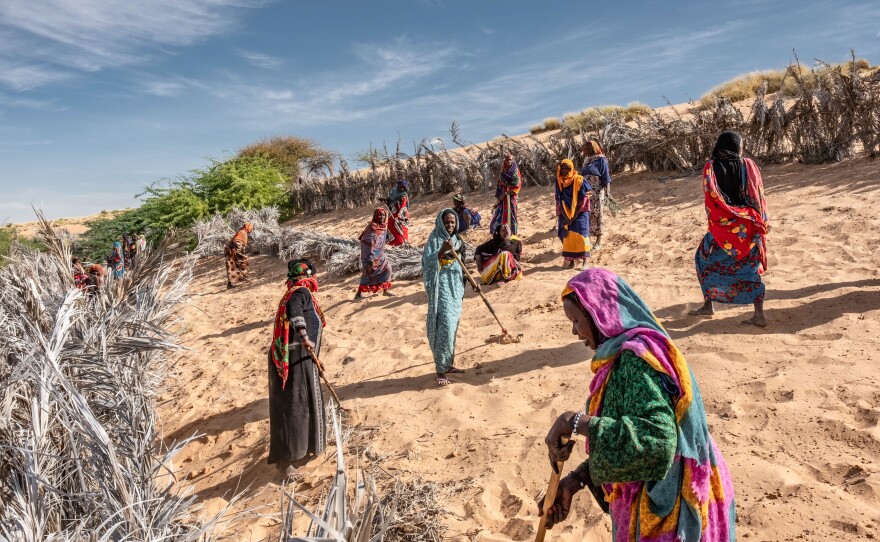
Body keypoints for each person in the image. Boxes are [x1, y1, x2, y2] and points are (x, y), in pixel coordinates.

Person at [541, 268, 736, 540]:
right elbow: (633, 431)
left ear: (599, 314)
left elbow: (657, 442)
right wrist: (577, 480)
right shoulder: (623, 356)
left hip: (674, 509)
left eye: (576, 321)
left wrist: (573, 422)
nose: (574, 332)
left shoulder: (636, 360)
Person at [690, 131, 769, 327]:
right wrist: (761, 220)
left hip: (722, 227)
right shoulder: (748, 165)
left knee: (703, 259)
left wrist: (723, 220)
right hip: (748, 224)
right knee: (750, 267)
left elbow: (711, 200)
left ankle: (709, 305)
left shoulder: (710, 167)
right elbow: (758, 195)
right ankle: (759, 314)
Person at [267, 258, 327, 479]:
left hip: (299, 360)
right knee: (293, 407)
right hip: (293, 360)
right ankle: (285, 463)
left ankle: (305, 447)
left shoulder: (298, 293)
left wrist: (316, 359)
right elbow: (295, 314)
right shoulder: (299, 293)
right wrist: (304, 336)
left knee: (303, 403)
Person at [422, 209, 480, 387]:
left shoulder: (458, 240)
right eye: (446, 222)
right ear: (440, 222)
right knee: (445, 326)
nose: (449, 225)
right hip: (442, 288)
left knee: (453, 327)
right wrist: (441, 251)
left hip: (456, 287)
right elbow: (427, 263)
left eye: (452, 222)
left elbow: (461, 264)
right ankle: (440, 369)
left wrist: (471, 281)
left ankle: (448, 364)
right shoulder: (434, 240)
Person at [555, 159, 591, 269]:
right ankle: (571, 261)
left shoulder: (579, 180)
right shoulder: (559, 182)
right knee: (567, 236)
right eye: (563, 168)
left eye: (567, 168)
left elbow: (585, 197)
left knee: (582, 235)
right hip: (565, 213)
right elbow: (558, 198)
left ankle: (585, 261)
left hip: (580, 211)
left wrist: (575, 214)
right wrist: (563, 214)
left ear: (572, 169)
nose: (565, 171)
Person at [580, 140, 613, 250]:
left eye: (590, 148)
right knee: (588, 214)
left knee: (598, 214)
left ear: (595, 148)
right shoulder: (586, 161)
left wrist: (608, 191)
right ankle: (588, 241)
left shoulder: (601, 159)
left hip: (598, 190)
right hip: (587, 192)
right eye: (586, 148)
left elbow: (606, 175)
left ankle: (598, 241)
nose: (587, 150)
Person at [355, 208, 393, 299]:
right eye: (380, 215)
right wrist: (370, 257)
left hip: (380, 254)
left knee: (387, 269)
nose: (382, 217)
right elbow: (366, 241)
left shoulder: (383, 226)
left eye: (384, 215)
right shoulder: (372, 226)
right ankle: (358, 293)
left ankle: (385, 290)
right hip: (370, 255)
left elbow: (385, 238)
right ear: (376, 216)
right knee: (367, 274)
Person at [489, 152, 522, 234]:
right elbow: (500, 182)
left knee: (512, 214)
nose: (509, 161)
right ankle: (499, 232)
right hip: (502, 198)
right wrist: (501, 194)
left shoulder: (515, 170)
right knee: (499, 214)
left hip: (511, 196)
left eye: (510, 160)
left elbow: (517, 185)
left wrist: (506, 193)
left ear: (513, 160)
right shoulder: (503, 170)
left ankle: (512, 233)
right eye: (507, 160)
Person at [225, 222, 254, 289]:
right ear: (247, 227)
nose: (251, 229)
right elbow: (237, 241)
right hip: (231, 251)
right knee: (233, 266)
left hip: (231, 250)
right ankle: (239, 280)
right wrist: (237, 251)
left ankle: (233, 282)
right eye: (250, 228)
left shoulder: (243, 232)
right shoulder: (242, 232)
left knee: (232, 266)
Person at [382, 179, 409, 246]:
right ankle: (393, 245)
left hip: (400, 217)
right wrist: (385, 200)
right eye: (400, 187)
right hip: (392, 215)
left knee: (400, 230)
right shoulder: (394, 193)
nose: (402, 189)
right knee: (391, 229)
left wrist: (398, 218)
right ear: (398, 187)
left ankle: (402, 244)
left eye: (404, 187)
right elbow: (390, 201)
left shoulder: (403, 196)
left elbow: (403, 208)